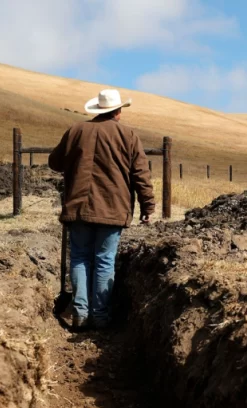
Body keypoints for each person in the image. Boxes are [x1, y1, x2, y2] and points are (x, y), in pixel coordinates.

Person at [48, 89, 156, 330]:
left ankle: (80, 314)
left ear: (98, 110)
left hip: (78, 207)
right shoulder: (128, 135)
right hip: (112, 208)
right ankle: (100, 317)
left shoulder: (76, 130)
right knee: (105, 261)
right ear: (117, 111)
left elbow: (54, 162)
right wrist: (147, 205)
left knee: (80, 259)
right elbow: (141, 175)